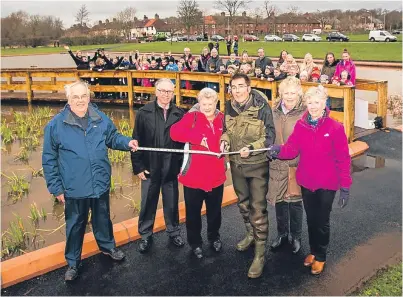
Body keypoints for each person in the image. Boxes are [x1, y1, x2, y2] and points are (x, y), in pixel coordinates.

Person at [42, 80, 138, 281]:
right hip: (74, 188)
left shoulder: (99, 117)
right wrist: (56, 188)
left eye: (83, 96)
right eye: (75, 97)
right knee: (75, 225)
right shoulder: (55, 125)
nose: (80, 100)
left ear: (88, 97)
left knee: (102, 219)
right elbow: (49, 159)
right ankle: (73, 263)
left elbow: (112, 137)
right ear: (68, 99)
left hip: (100, 182)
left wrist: (127, 142)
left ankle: (108, 247)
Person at [268, 85, 352, 275]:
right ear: (305, 103)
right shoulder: (301, 125)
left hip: (326, 184)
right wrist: (277, 151)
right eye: (310, 102)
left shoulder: (335, 128)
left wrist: (345, 187)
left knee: (321, 221)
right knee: (312, 219)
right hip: (306, 182)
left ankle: (321, 256)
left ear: (324, 103)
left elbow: (343, 159)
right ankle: (314, 251)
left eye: (317, 102)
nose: (313, 106)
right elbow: (291, 149)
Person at [220, 73, 275, 278]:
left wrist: (252, 148)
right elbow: (226, 130)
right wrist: (224, 141)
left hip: (257, 165)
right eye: (233, 87)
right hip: (236, 165)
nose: (237, 90)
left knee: (258, 210)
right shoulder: (229, 106)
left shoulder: (262, 107)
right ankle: (250, 234)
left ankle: (260, 254)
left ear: (249, 88)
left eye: (241, 86)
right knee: (243, 204)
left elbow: (269, 137)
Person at [170, 88, 226, 259]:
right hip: (194, 177)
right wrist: (195, 137)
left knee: (215, 211)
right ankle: (195, 243)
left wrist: (226, 143)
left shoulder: (222, 118)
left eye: (210, 104)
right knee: (193, 213)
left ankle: (214, 237)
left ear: (216, 103)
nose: (207, 107)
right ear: (199, 103)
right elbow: (174, 133)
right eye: (204, 104)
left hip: (216, 176)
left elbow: (229, 135)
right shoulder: (191, 117)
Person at [131, 78, 186, 254]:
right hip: (149, 166)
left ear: (173, 93)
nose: (165, 95)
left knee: (171, 202)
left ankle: (173, 231)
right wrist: (138, 166)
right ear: (155, 92)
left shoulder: (179, 114)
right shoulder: (143, 112)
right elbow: (136, 140)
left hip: (171, 167)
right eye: (162, 91)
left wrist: (181, 167)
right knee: (148, 202)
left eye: (169, 92)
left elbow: (183, 144)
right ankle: (146, 234)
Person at [267, 77, 306, 255]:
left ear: (299, 94)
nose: (289, 96)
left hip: (296, 163)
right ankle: (282, 234)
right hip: (276, 162)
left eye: (293, 93)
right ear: (280, 93)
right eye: (286, 93)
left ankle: (296, 236)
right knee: (280, 201)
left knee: (295, 202)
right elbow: (267, 131)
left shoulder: (305, 113)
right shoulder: (273, 110)